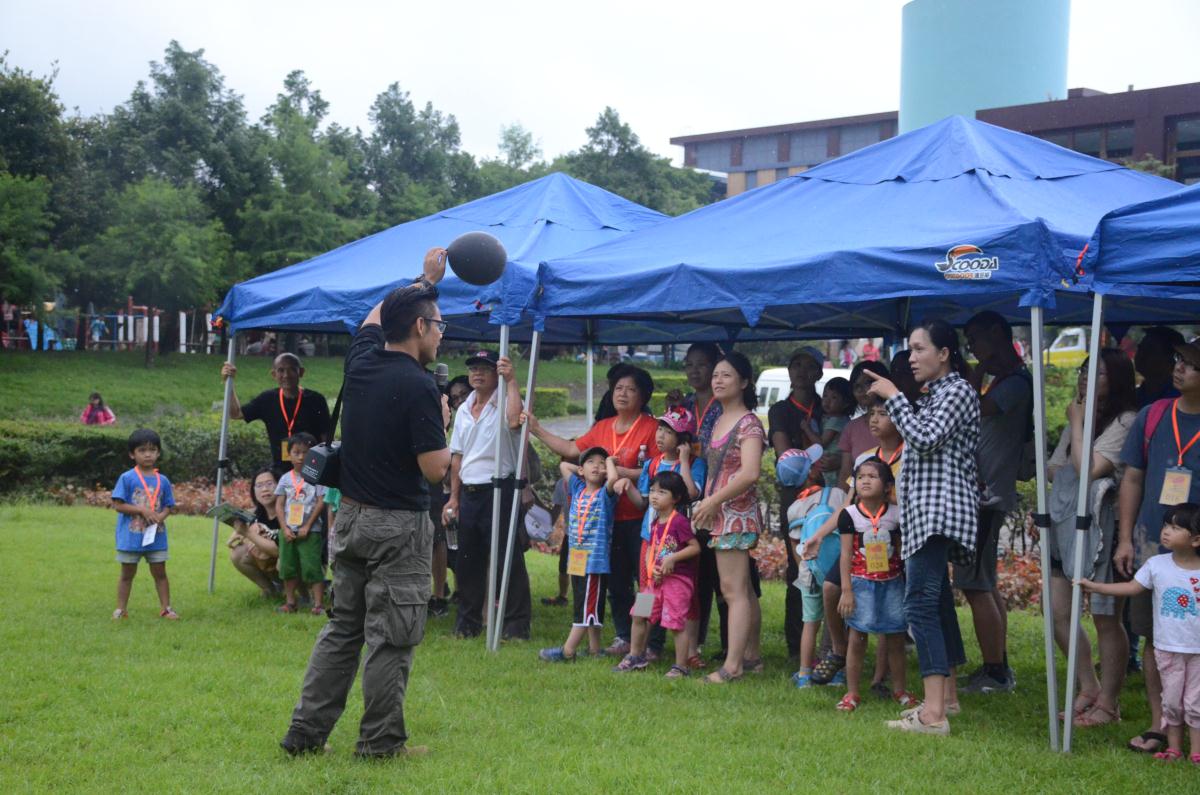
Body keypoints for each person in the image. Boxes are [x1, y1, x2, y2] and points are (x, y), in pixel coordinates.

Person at [281, 248, 451, 759]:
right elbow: (435, 469)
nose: (444, 333)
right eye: (439, 324)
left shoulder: (361, 362)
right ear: (420, 327)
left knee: (342, 630)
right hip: (397, 527)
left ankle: (305, 736)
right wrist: (442, 419)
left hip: (349, 518)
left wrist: (424, 279)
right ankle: (380, 745)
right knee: (391, 638)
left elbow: (373, 318)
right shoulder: (421, 387)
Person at [866, 319, 979, 735]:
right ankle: (946, 699)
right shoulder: (937, 393)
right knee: (937, 604)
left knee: (919, 605)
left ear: (944, 353)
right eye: (910, 350)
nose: (911, 358)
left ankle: (933, 715)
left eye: (919, 349)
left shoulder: (958, 391)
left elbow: (925, 438)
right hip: (927, 516)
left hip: (939, 514)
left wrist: (894, 397)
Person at [527, 366, 658, 657]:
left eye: (631, 389)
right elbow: (571, 450)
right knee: (618, 583)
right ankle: (624, 636)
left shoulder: (651, 428)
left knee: (648, 581)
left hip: (641, 519)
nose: (622, 394)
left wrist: (621, 472)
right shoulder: (604, 426)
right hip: (607, 525)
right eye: (618, 388)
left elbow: (658, 470)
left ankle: (653, 641)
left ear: (644, 395)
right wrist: (536, 428)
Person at [1115, 337, 1200, 755]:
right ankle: (1160, 725)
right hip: (1155, 545)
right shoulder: (1153, 415)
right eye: (1179, 360)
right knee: (1157, 637)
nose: (1179, 368)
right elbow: (1132, 478)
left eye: (1190, 364)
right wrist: (1126, 537)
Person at [1045, 350, 1138, 728]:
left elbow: (1085, 469)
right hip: (1064, 521)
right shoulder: (1082, 416)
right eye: (1084, 371)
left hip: (1105, 526)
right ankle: (1088, 685)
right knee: (1057, 613)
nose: (1085, 379)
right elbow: (1054, 468)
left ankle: (1109, 704)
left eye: (1096, 373)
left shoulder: (1125, 420)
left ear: (1116, 379)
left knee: (1104, 617)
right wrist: (1079, 428)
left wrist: (1078, 424)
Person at [1079, 503, 1200, 763]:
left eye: (1176, 528)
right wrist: (1095, 586)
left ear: (1196, 539)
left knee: (1195, 703)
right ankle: (1174, 749)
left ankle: (1196, 753)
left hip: (1198, 652)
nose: (1166, 531)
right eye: (1167, 525)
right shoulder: (1156, 565)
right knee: (1171, 702)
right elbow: (1131, 589)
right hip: (1167, 649)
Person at [958, 310, 1032, 694]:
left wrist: (978, 369)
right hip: (982, 494)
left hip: (987, 497)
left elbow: (973, 408)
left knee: (975, 583)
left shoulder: (1016, 383)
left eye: (976, 339)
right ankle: (997, 663)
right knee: (983, 582)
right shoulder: (1001, 380)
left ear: (998, 335)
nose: (971, 347)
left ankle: (995, 671)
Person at [442, 349, 527, 640]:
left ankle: (516, 625)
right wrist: (454, 498)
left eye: (485, 369)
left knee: (506, 557)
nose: (477, 373)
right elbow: (457, 457)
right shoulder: (464, 408)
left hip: (499, 487)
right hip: (470, 490)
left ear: (497, 374)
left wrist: (512, 380)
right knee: (468, 560)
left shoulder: (504, 401)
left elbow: (516, 422)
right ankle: (467, 623)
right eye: (473, 368)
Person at [692, 351, 765, 682]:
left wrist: (712, 502)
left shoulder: (749, 422)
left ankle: (733, 666)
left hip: (735, 514)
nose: (718, 380)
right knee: (743, 589)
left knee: (732, 589)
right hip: (719, 513)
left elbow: (750, 473)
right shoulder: (718, 417)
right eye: (716, 374)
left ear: (745, 382)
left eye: (727, 376)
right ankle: (751, 656)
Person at [622, 405, 707, 667]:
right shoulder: (651, 464)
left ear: (682, 440)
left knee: (680, 600)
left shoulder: (695, 463)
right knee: (647, 594)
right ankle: (640, 651)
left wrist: (683, 461)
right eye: (660, 429)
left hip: (676, 541)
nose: (660, 435)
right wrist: (626, 486)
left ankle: (687, 654)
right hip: (651, 540)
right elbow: (644, 502)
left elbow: (692, 493)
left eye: (668, 432)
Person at [834, 458, 915, 711]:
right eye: (860, 477)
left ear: (888, 485)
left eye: (873, 476)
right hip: (860, 584)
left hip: (892, 584)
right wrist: (846, 590)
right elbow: (846, 554)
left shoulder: (897, 515)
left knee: (895, 639)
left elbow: (902, 551)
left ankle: (900, 689)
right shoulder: (849, 515)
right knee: (857, 638)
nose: (865, 481)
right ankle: (852, 692)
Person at [613, 470, 701, 677]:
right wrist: (651, 571)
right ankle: (636, 656)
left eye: (662, 492)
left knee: (675, 623)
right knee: (638, 614)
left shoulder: (678, 521)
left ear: (676, 498)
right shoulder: (654, 523)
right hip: (655, 581)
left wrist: (672, 559)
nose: (654, 496)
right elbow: (652, 549)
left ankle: (680, 666)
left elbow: (694, 547)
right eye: (652, 491)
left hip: (676, 582)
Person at [768, 346, 825, 662]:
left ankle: (830, 645)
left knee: (828, 564)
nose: (801, 372)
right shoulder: (781, 410)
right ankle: (796, 645)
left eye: (809, 366)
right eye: (795, 365)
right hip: (795, 495)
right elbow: (782, 454)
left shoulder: (827, 405)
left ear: (819, 372)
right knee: (798, 565)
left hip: (827, 493)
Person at [539, 448, 619, 661]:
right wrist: (582, 468)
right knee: (584, 602)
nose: (596, 466)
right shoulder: (577, 487)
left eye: (600, 463)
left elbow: (612, 480)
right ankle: (594, 649)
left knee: (586, 607)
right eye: (591, 462)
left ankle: (568, 651)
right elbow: (564, 466)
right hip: (577, 559)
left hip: (594, 562)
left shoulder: (605, 495)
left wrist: (609, 464)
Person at [677, 341, 724, 658]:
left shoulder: (724, 406)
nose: (695, 370)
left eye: (702, 364)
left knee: (721, 577)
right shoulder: (684, 405)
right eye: (689, 364)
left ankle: (732, 645)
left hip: (718, 498)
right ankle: (693, 642)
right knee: (690, 572)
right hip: (686, 501)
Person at [220, 352, 331, 475]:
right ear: (274, 374)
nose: (286, 375)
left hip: (311, 468)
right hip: (279, 470)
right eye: (281, 370)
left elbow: (326, 437)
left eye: (292, 370)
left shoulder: (316, 400)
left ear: (301, 372)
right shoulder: (267, 399)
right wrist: (228, 383)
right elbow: (235, 413)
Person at [787, 460, 844, 688]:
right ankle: (837, 674)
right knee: (837, 622)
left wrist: (806, 567)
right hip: (837, 569)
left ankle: (804, 675)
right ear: (811, 474)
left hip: (809, 570)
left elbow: (795, 546)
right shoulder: (839, 495)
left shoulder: (794, 508)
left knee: (810, 623)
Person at [111, 428, 177, 620]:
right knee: (127, 574)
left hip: (156, 536)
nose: (148, 454)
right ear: (132, 454)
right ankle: (121, 609)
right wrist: (142, 510)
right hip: (131, 537)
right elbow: (118, 505)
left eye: (152, 450)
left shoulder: (162, 480)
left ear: (158, 452)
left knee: (160, 573)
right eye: (142, 450)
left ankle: (166, 608)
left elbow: (168, 506)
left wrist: (160, 517)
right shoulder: (127, 478)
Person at [274, 432, 327, 616]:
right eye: (296, 452)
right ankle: (290, 602)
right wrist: (284, 527)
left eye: (305, 452)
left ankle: (318, 604)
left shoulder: (317, 477)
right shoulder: (285, 479)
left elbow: (321, 501)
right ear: (289, 454)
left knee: (312, 566)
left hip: (310, 530)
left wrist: (307, 526)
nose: (301, 456)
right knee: (288, 567)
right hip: (288, 530)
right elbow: (279, 504)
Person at [229, 467, 283, 596]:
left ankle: (304, 593)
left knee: (284, 560)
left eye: (269, 484)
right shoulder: (255, 513)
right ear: (254, 491)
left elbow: (279, 550)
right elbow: (238, 534)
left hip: (298, 566)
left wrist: (248, 534)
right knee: (238, 553)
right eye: (259, 485)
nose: (264, 489)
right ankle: (270, 589)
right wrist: (236, 536)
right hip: (273, 565)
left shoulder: (288, 512)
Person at [837, 361, 892, 484]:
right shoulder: (851, 428)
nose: (862, 390)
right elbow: (846, 473)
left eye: (867, 383)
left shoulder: (898, 420)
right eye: (857, 386)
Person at [1135, 326, 1185, 408]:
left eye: (1149, 351)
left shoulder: (1179, 398)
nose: (1141, 355)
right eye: (1140, 348)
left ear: (1171, 359)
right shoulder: (1135, 395)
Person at [819, 377, 853, 486]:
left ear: (845, 403)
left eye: (834, 397)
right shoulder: (841, 419)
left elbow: (821, 443)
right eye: (825, 396)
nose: (827, 401)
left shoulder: (836, 420)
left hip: (831, 462)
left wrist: (807, 428)